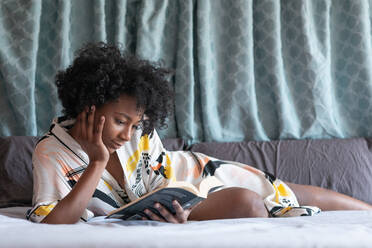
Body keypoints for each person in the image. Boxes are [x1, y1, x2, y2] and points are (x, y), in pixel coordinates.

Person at [27, 42, 372, 224]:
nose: (127, 134)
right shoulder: (51, 152)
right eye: (120, 121)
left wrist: (180, 213)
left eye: (135, 124)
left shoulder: (137, 133)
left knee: (283, 190)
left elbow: (161, 180)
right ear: (89, 103)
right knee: (251, 205)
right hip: (176, 208)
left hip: (189, 177)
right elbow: (56, 221)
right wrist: (97, 161)